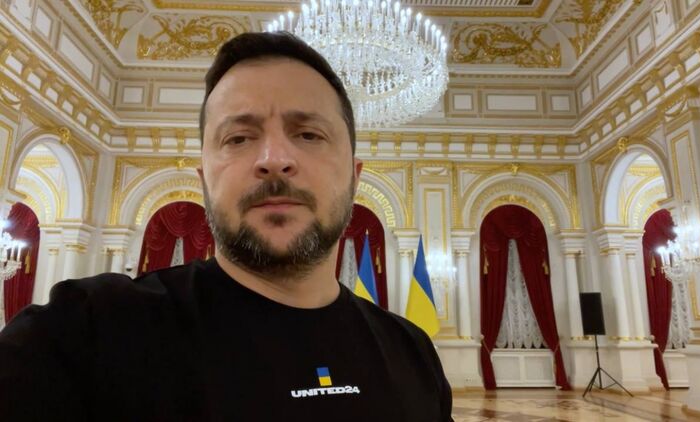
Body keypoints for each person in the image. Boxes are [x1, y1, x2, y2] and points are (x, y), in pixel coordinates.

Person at [0, 31, 453, 421]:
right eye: (239, 137)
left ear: (354, 179)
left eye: (308, 134)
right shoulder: (85, 333)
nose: (274, 159)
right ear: (204, 180)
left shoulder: (411, 351)